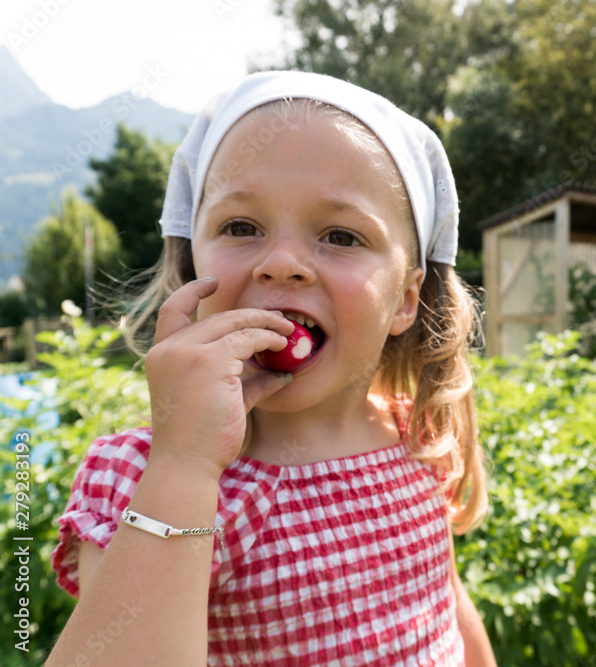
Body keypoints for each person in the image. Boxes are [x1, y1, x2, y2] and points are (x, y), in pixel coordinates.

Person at [46, 71, 496, 666]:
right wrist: (186, 465)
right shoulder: (148, 478)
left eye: (340, 235)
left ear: (406, 299)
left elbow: (447, 606)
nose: (281, 263)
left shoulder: (413, 436)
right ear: (192, 268)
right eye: (241, 227)